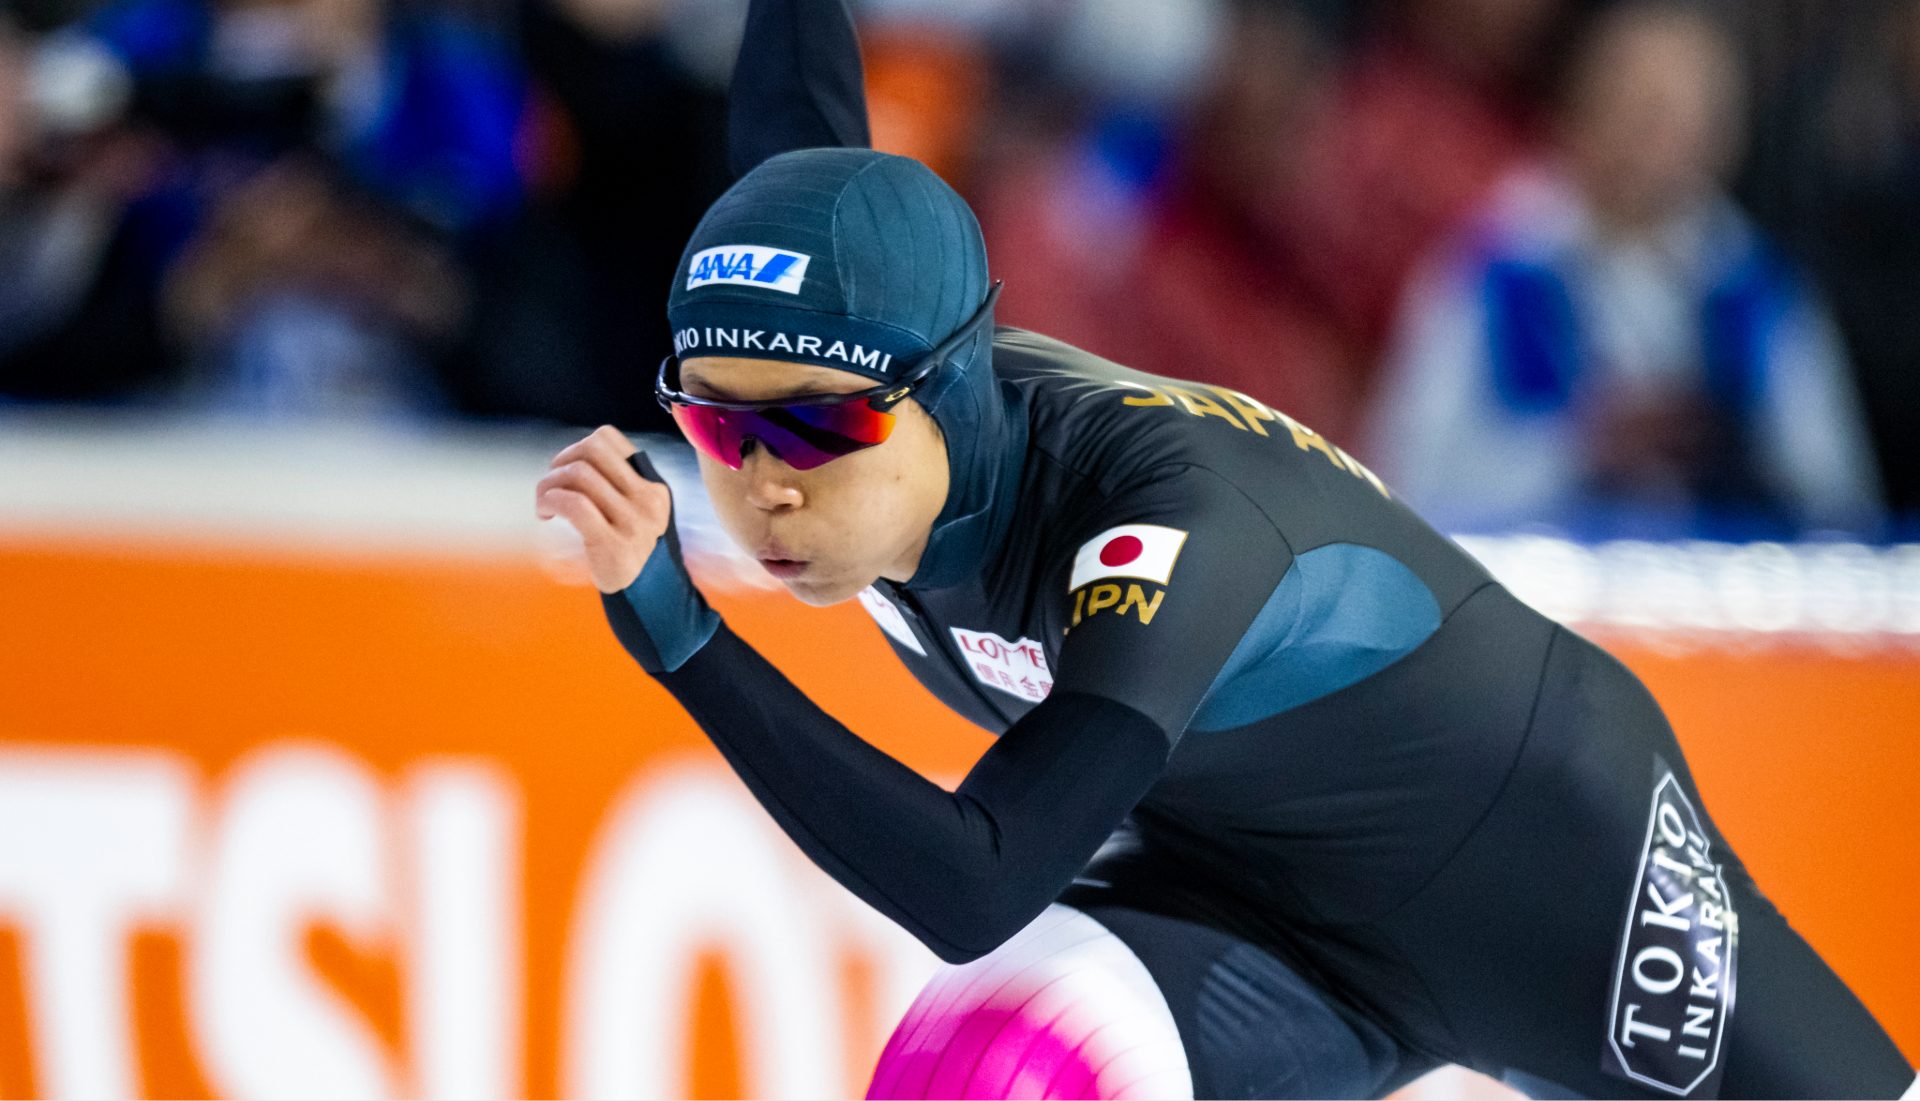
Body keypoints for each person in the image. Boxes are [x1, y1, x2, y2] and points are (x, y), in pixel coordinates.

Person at [536, 1, 1918, 1096]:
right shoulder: (859, 380)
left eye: (819, 430)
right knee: (986, 1079)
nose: (761, 487)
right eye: (714, 431)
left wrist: (689, 641)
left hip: (1548, 868)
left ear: (948, 386)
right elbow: (803, 125)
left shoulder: (1164, 512)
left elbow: (979, 879)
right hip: (1251, 905)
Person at [1363, 2, 1883, 539]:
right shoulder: (1490, 270)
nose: (1653, 136)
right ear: (1575, 104)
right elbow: (1409, 479)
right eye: (1635, 101)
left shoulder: (1758, 289)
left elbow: (1837, 506)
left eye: (1680, 110)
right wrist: (1580, 450)